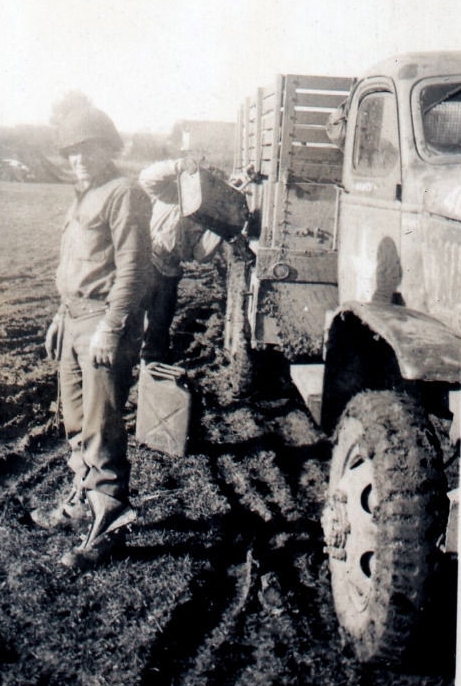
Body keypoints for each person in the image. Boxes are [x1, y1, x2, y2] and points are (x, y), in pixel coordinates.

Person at [31, 106, 152, 570]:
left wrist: (112, 326)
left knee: (102, 426)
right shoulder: (84, 195)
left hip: (103, 324)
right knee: (77, 421)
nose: (78, 159)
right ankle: (83, 500)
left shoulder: (124, 193)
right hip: (75, 321)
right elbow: (78, 264)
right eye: (72, 152)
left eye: (87, 149)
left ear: (108, 149)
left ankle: (110, 522)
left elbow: (133, 269)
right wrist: (61, 316)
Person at [138, 157, 254, 364]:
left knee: (160, 323)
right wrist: (177, 166)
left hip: (170, 271)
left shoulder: (207, 217)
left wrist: (222, 229)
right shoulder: (172, 193)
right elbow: (147, 178)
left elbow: (201, 255)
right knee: (132, 314)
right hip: (146, 260)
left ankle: (152, 366)